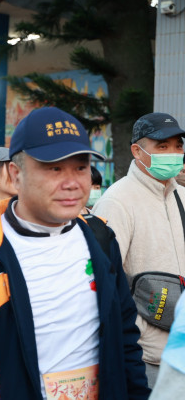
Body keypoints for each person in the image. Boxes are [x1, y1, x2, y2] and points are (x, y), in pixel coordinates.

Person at [0, 107, 150, 399]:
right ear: (16, 174)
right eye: (54, 168)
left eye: (80, 168)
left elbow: (125, 337)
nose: (71, 183)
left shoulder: (100, 239)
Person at [92, 112, 185, 387]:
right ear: (137, 151)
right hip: (146, 357)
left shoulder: (181, 195)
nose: (173, 153)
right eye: (162, 146)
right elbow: (103, 280)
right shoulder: (116, 202)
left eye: (178, 146)